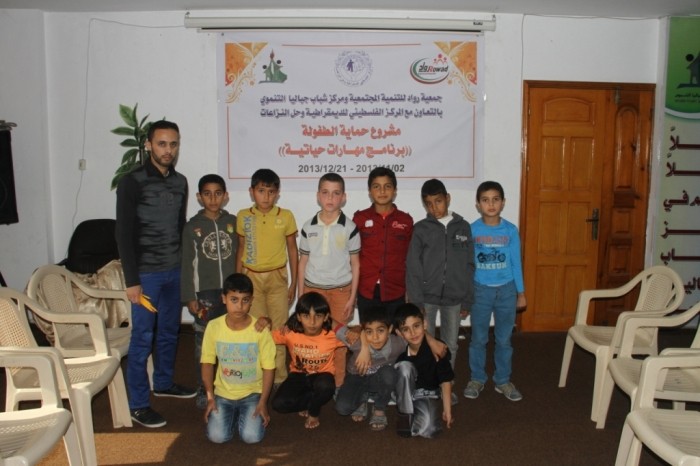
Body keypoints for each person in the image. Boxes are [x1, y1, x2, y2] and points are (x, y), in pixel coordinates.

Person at [115, 119, 196, 428]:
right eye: (162, 144)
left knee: (169, 331)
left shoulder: (181, 182)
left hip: (174, 272)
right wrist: (132, 281)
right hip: (146, 276)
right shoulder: (132, 182)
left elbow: (179, 225)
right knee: (142, 337)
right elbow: (123, 234)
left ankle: (163, 382)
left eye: (173, 144)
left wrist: (186, 271)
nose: (168, 150)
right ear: (148, 144)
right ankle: (138, 404)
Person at [464, 181, 527, 402]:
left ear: (503, 203)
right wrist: (466, 294)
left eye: (495, 199)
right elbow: (467, 265)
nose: (491, 204)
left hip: (507, 291)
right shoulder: (472, 230)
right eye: (485, 200)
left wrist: (521, 293)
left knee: (504, 340)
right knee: (478, 339)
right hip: (480, 291)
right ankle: (477, 378)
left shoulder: (510, 230)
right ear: (478, 205)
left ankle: (502, 380)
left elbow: (516, 263)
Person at [235, 168, 298, 385]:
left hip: (277, 278)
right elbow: (241, 248)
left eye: (271, 192)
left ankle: (279, 378)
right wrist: (238, 282)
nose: (266, 197)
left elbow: (292, 250)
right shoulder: (243, 216)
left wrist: (294, 284)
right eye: (261, 191)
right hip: (251, 278)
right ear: (252, 192)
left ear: (277, 193)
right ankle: (258, 377)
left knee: (279, 330)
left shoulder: (285, 216)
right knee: (257, 328)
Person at [181, 174, 238, 409]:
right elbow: (187, 264)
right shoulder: (192, 227)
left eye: (217, 193)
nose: (213, 199)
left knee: (231, 341)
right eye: (207, 194)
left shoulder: (233, 223)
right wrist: (189, 296)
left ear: (225, 196)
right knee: (203, 344)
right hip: (204, 295)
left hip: (230, 293)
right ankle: (204, 388)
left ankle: (230, 386)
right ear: (199, 197)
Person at [298, 172, 360, 387]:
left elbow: (356, 264)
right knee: (312, 337)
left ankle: (339, 384)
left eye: (336, 193)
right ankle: (311, 381)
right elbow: (302, 262)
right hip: (313, 290)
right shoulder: (308, 226)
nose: (330, 198)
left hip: (341, 291)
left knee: (339, 340)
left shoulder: (350, 228)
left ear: (344, 197)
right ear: (318, 196)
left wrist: (352, 297)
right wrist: (301, 295)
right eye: (325, 193)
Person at [405, 178, 475, 371]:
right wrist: (416, 301)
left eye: (438, 201)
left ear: (448, 198)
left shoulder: (463, 227)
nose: (434, 207)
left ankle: (446, 381)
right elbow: (413, 266)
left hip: (454, 298)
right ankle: (425, 382)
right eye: (429, 203)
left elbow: (469, 265)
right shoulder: (421, 229)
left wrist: (467, 299)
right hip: (426, 298)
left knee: (450, 344)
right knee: (421, 342)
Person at [201, 273, 275, 444]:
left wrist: (263, 402)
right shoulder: (213, 327)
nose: (240, 306)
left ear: (252, 301)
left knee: (251, 437)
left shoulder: (260, 329)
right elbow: (207, 363)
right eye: (234, 300)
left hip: (252, 394)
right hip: (223, 394)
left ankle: (241, 414)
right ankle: (233, 415)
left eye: (245, 300)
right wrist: (210, 397)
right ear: (224, 299)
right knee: (217, 437)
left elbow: (269, 368)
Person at [265, 292, 344, 429]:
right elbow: (264, 337)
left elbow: (356, 334)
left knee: (326, 386)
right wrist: (264, 321)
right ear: (298, 317)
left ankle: (314, 411)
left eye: (318, 316)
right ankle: (312, 399)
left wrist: (359, 335)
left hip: (322, 375)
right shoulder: (290, 333)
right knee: (278, 405)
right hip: (298, 375)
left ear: (326, 317)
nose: (312, 322)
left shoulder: (332, 336)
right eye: (306, 316)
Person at [353, 167, 413, 324]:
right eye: (376, 186)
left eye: (387, 186)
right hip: (367, 290)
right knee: (369, 333)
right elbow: (352, 257)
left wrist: (410, 291)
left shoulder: (406, 221)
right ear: (370, 191)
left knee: (395, 336)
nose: (382, 191)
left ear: (395, 190)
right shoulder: (359, 219)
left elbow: (410, 258)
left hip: (396, 291)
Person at [334, 305, 404, 432]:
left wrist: (433, 342)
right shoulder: (355, 340)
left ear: (390, 329)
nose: (375, 337)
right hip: (356, 377)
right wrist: (362, 342)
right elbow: (332, 324)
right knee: (343, 408)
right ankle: (362, 397)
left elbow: (416, 337)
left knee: (389, 374)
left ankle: (379, 408)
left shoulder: (398, 344)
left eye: (380, 331)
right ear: (363, 331)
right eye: (369, 332)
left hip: (380, 379)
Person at [393, 303, 454, 438]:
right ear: (399, 333)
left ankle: (417, 417)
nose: (413, 333)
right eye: (406, 329)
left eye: (416, 326)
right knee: (404, 367)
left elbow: (446, 380)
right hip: (407, 394)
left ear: (424, 324)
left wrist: (447, 410)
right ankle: (405, 414)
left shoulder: (437, 349)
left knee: (431, 431)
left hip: (428, 394)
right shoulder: (402, 356)